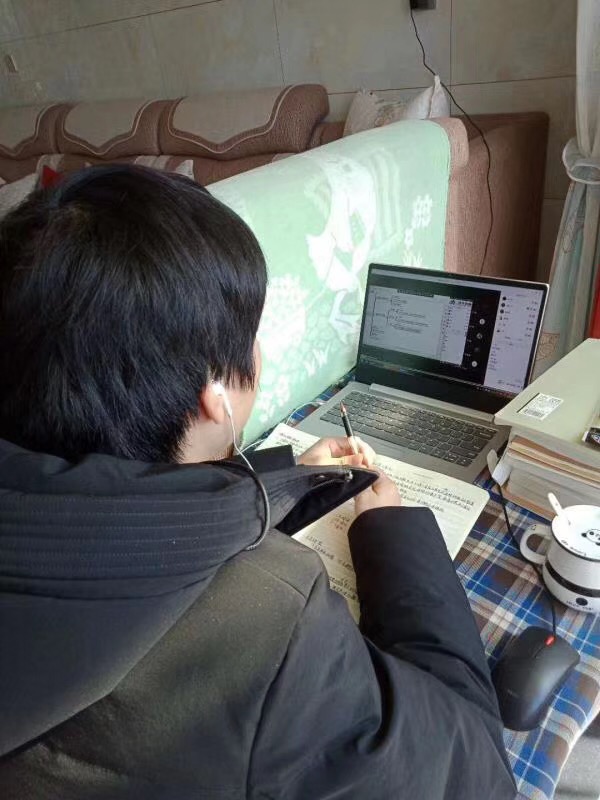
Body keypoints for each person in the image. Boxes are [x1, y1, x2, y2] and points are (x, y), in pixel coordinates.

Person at [0, 165, 516, 800]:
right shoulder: (267, 623)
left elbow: (106, 522)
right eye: (250, 334)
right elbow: (477, 775)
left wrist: (281, 482)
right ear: (214, 393)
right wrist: (392, 533)